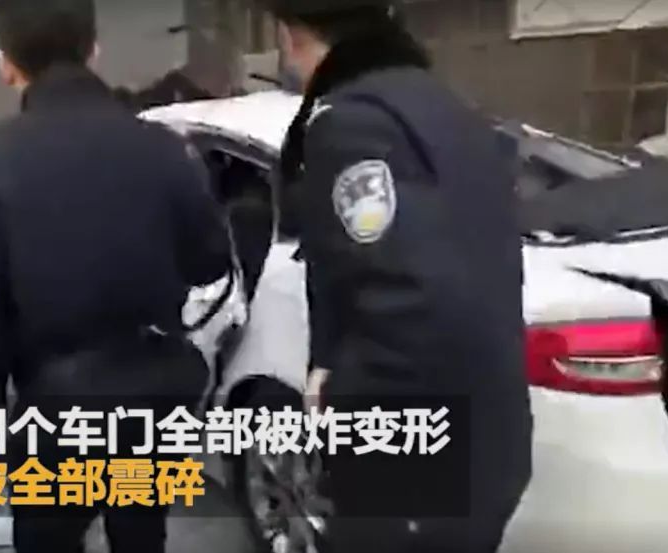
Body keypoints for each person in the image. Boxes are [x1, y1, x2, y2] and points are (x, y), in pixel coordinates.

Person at [0, 1, 231, 552]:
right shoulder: (163, 148)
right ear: (93, 50)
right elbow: (209, 262)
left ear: (6, 64)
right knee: (142, 535)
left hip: (53, 411)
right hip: (153, 396)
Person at [260, 1, 533, 552]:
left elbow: (405, 295)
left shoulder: (349, 123)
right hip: (491, 434)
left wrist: (342, 396)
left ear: (291, 36)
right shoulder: (446, 105)